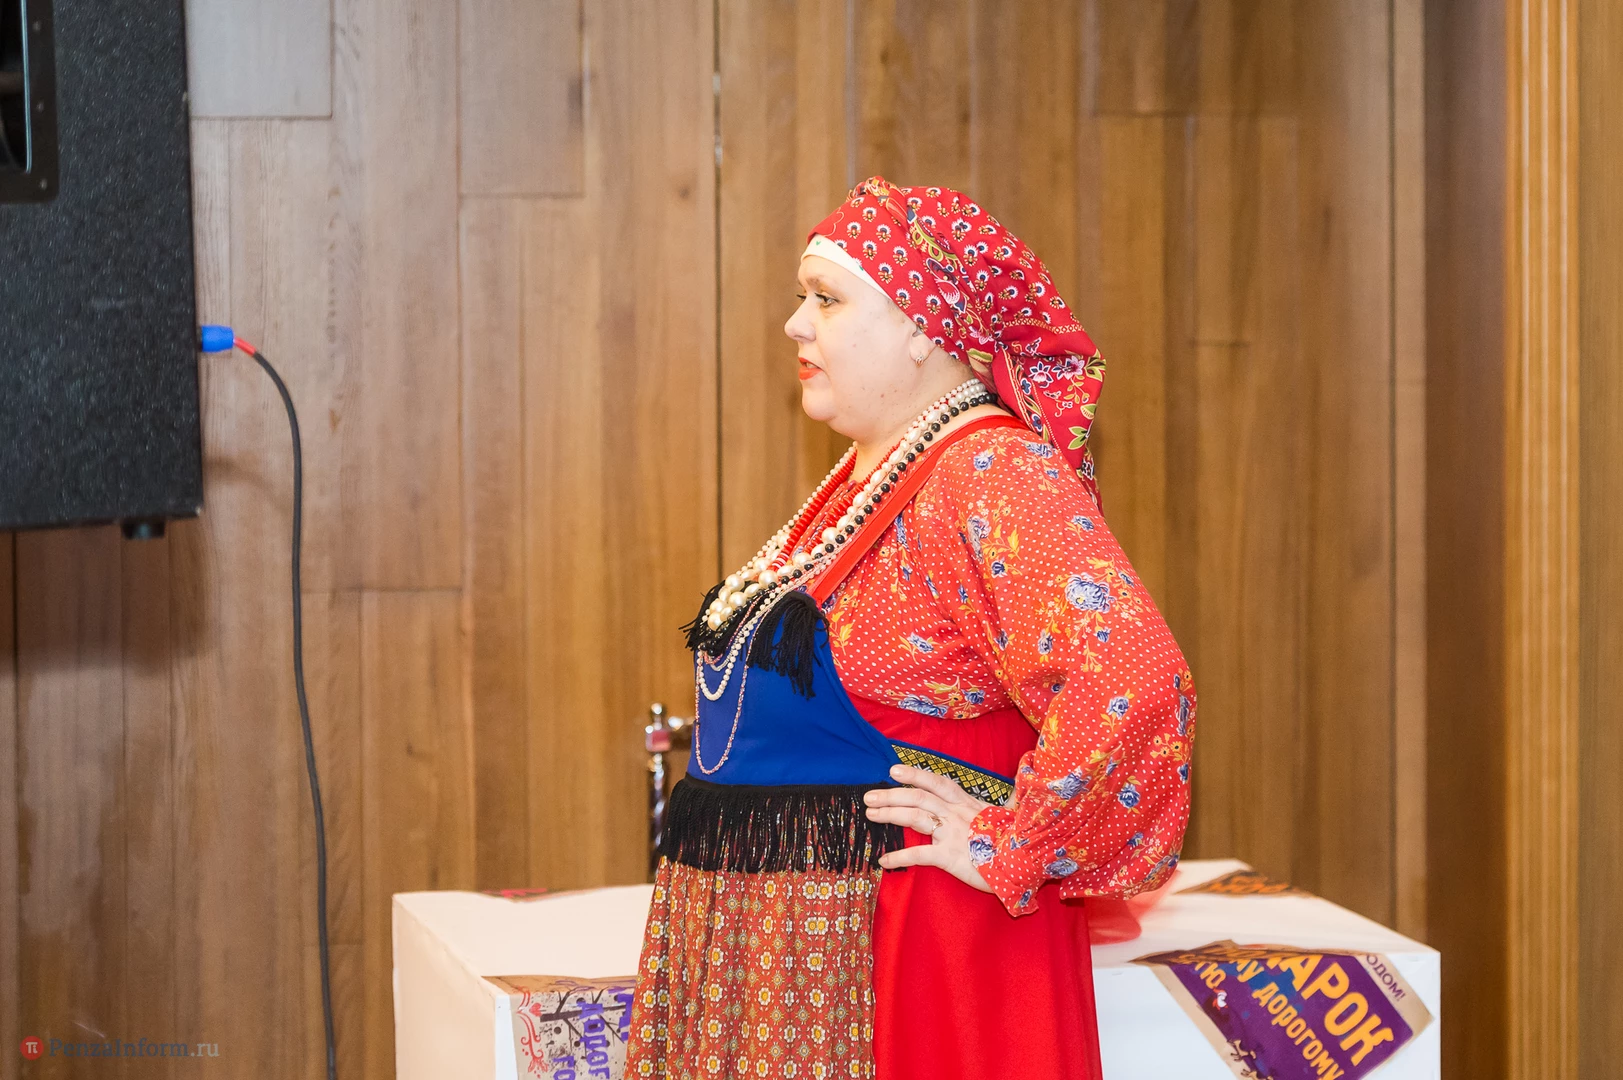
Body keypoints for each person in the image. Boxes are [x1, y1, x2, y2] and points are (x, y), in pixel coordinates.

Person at [625, 176, 1196, 1080]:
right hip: (805, 959)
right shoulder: (877, 472)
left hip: (910, 959)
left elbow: (1132, 675)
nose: (795, 325)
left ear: (925, 325)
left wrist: (1014, 842)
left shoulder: (988, 469)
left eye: (826, 298)